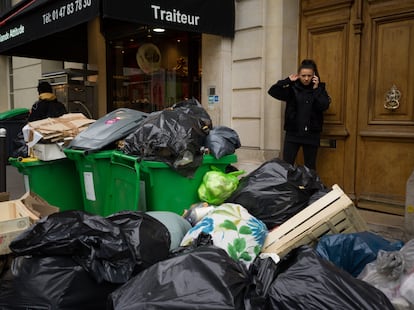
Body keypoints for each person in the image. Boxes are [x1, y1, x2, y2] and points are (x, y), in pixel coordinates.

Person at [268, 59, 330, 170]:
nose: (306, 78)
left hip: (312, 135)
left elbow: (324, 106)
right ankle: (288, 187)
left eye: (309, 76)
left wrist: (316, 90)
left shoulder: (320, 89)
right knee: (287, 166)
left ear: (314, 76)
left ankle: (310, 187)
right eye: (303, 75)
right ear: (298, 75)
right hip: (293, 134)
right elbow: (273, 91)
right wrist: (287, 81)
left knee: (310, 167)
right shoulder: (292, 88)